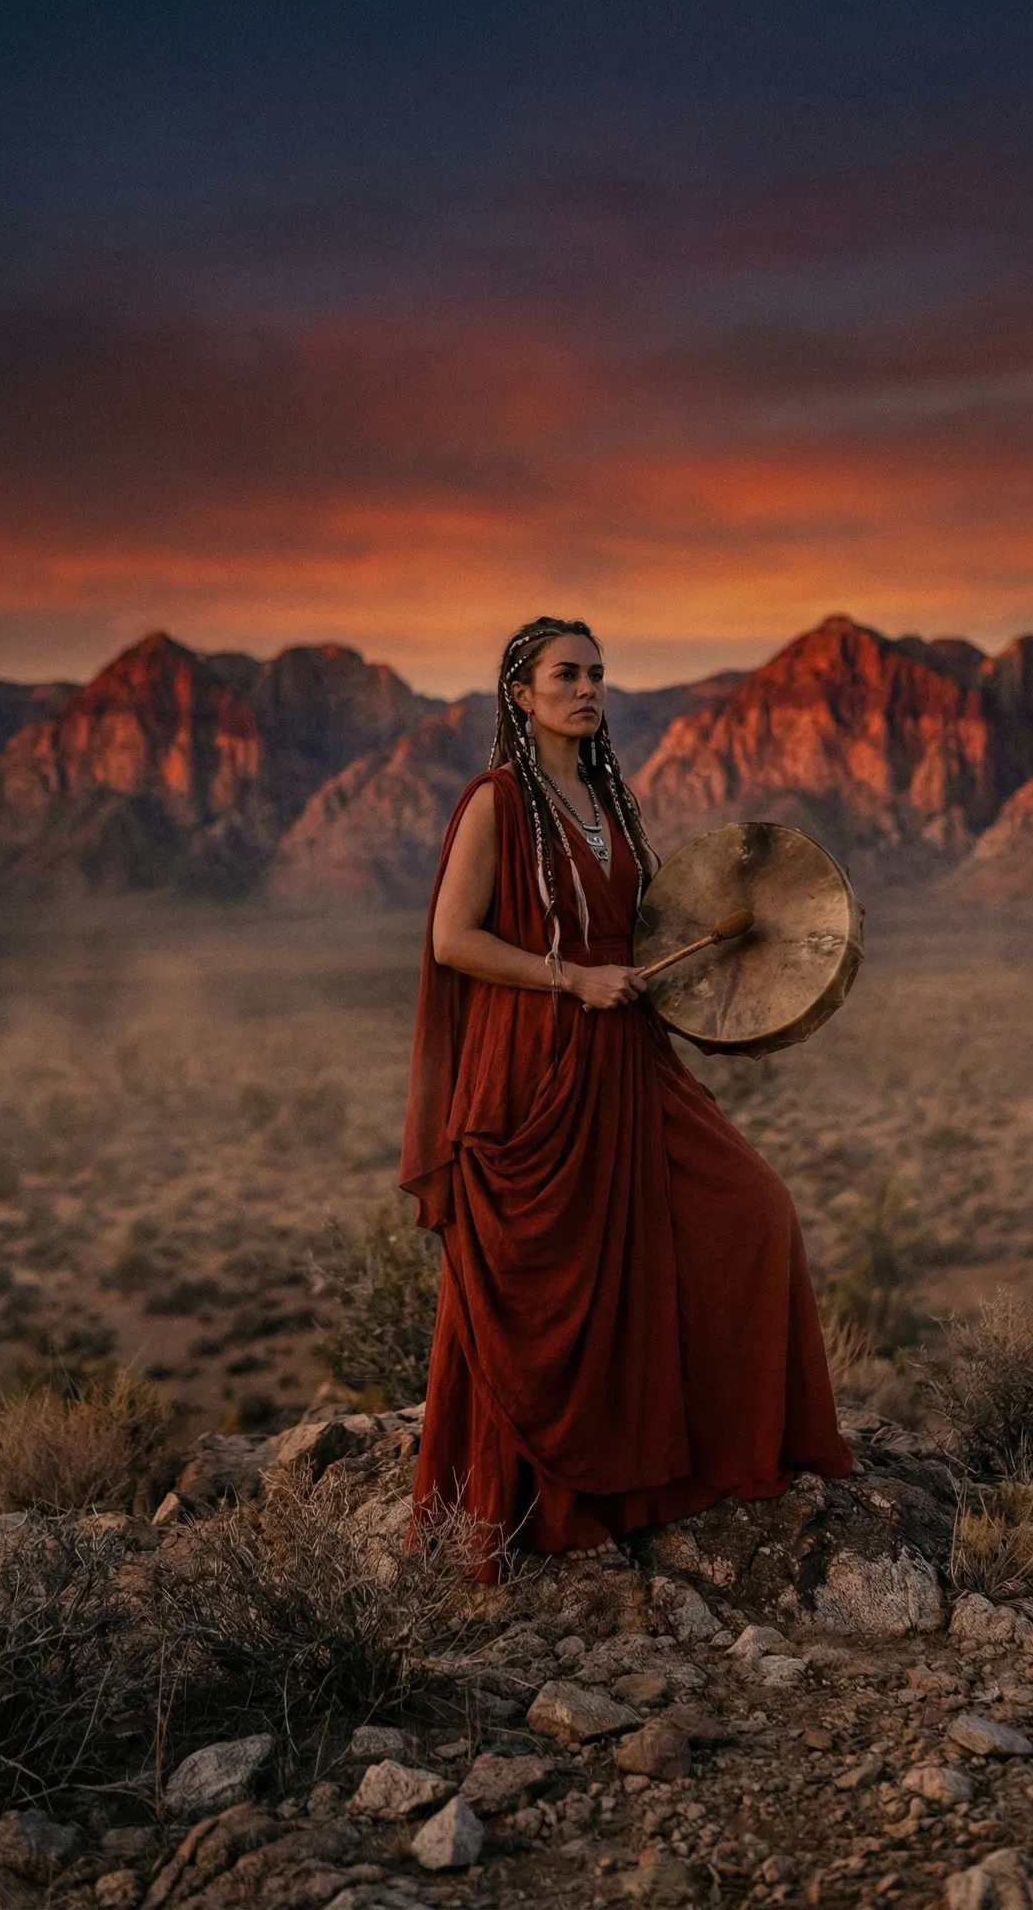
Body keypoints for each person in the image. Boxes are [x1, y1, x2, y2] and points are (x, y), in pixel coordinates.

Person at [401, 616, 852, 1578]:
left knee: (752, 1207)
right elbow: (452, 939)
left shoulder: (609, 797)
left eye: (598, 674)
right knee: (548, 1287)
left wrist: (776, 939)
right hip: (537, 1069)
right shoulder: (496, 801)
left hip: (627, 1057)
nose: (587, 688)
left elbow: (645, 932)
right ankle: (541, 1499)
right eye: (566, 674)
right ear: (520, 693)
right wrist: (573, 980)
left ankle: (704, 1452)